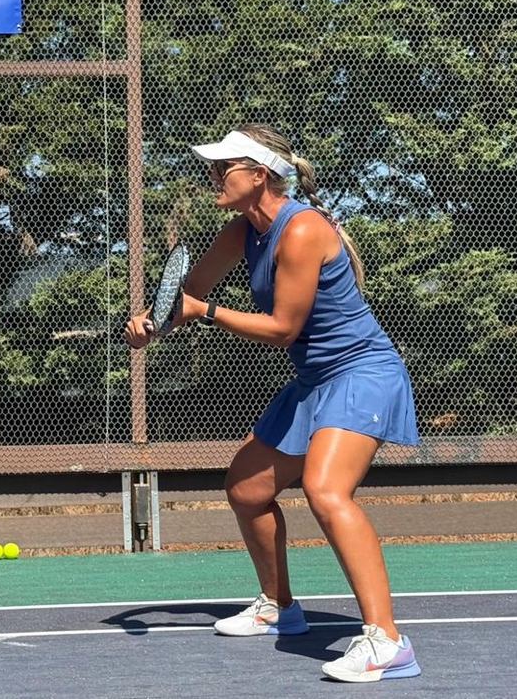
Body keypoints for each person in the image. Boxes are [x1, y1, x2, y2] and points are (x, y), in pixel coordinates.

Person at [124, 124, 422, 683]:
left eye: (224, 167)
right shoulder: (241, 232)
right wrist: (151, 325)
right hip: (314, 380)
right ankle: (280, 608)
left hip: (362, 373)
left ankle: (387, 641)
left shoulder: (304, 230)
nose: (213, 175)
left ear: (259, 175)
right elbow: (186, 295)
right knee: (247, 488)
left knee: (327, 491)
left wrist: (204, 314)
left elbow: (284, 327)